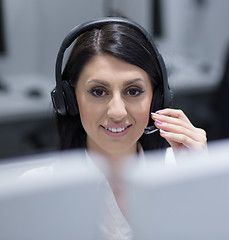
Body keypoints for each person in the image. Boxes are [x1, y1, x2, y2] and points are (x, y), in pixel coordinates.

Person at [48, 17, 207, 239]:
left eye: (133, 91)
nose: (117, 112)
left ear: (157, 98)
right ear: (70, 100)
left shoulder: (182, 170)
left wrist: (202, 186)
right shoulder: (40, 193)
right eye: (98, 91)